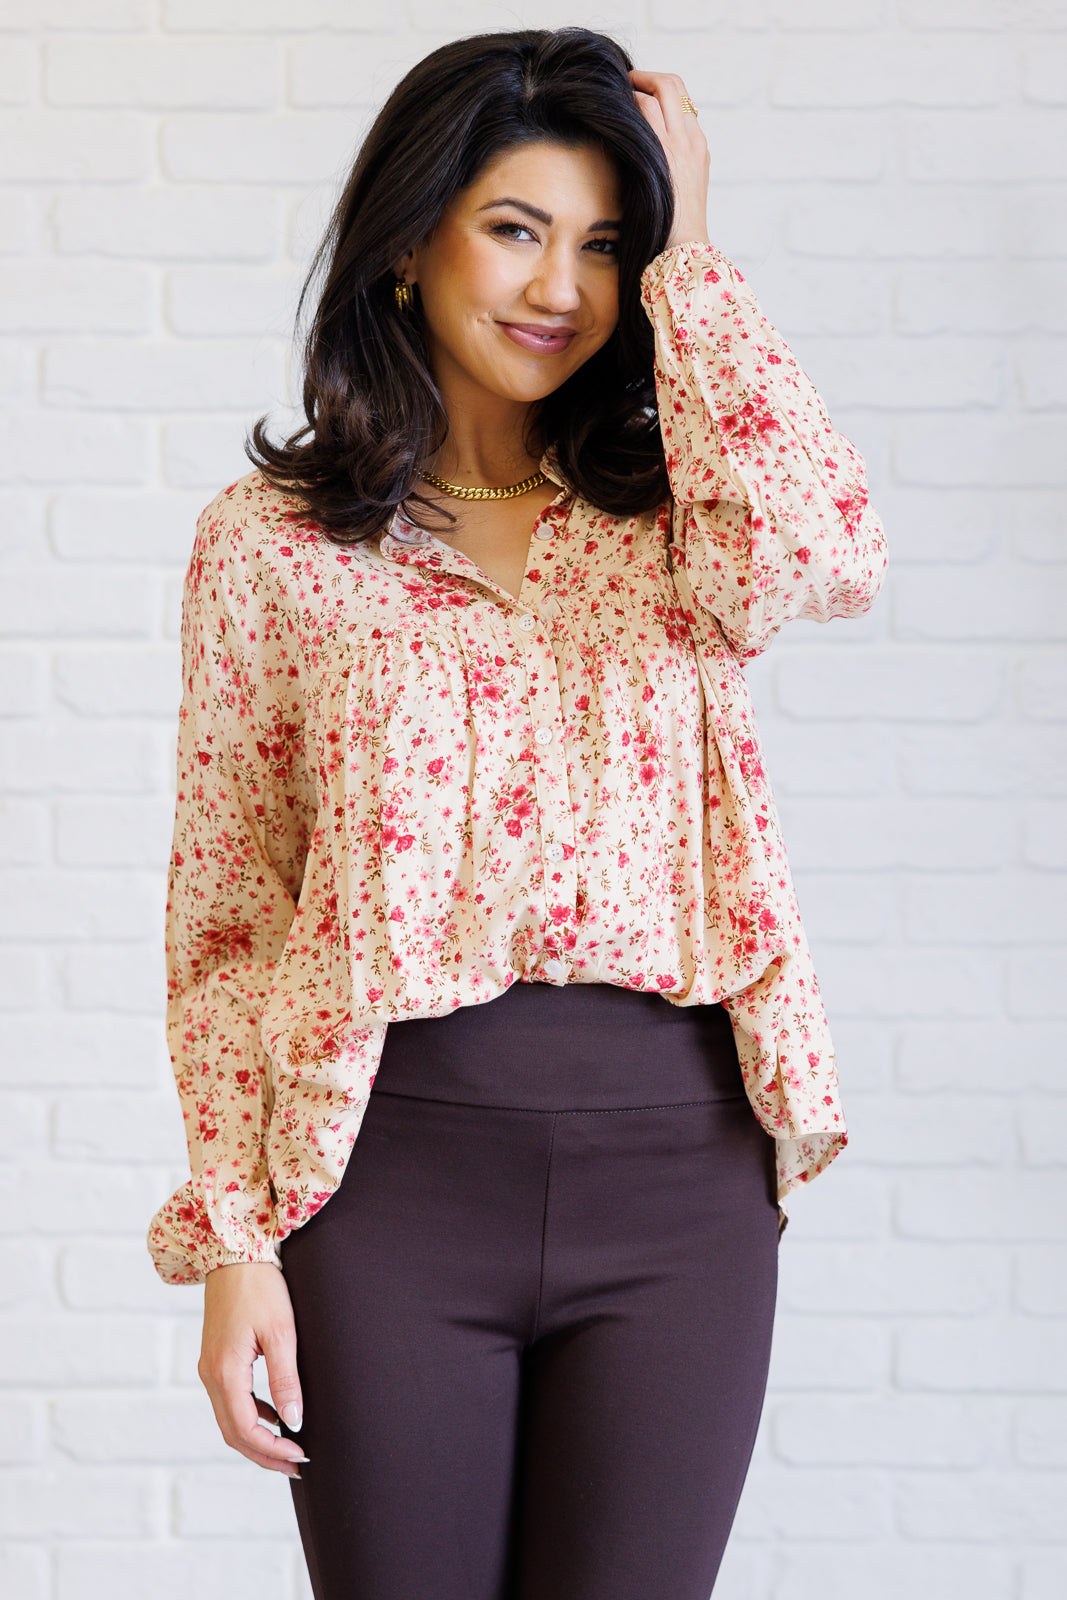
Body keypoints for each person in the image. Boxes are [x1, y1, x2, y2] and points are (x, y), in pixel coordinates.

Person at [147, 26, 888, 1600]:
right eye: (514, 228)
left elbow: (829, 551)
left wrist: (697, 260)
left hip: (679, 1172)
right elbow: (228, 911)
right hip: (388, 1181)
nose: (562, 284)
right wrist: (232, 1240)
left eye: (607, 244)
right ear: (411, 242)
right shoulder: (272, 548)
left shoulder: (687, 512)